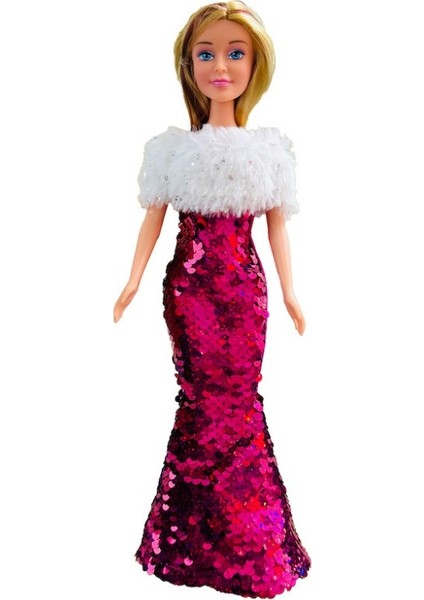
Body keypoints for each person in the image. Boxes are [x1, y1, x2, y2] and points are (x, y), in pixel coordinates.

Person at [113, 1, 311, 597]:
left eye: (234, 54)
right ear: (189, 64)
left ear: (255, 65)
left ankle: (252, 544)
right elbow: (153, 219)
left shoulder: (269, 151)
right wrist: (132, 280)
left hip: (244, 294)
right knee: (199, 402)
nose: (220, 66)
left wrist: (291, 292)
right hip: (190, 293)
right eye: (206, 54)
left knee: (238, 404)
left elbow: (276, 228)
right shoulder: (171, 150)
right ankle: (188, 544)